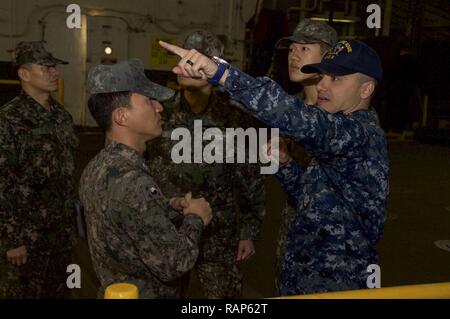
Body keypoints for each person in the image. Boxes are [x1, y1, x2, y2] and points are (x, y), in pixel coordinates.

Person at [158, 38, 389, 296]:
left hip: (335, 284)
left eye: (336, 79)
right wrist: (286, 166)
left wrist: (220, 73)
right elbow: (313, 199)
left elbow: (293, 115)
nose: (322, 84)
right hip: (305, 277)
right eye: (322, 75)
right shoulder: (342, 133)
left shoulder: (358, 133)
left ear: (366, 89)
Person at [79, 58, 212, 299]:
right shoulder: (134, 181)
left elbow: (127, 225)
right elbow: (174, 264)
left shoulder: (97, 167)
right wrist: (196, 217)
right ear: (122, 116)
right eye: (148, 100)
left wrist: (167, 205)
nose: (159, 107)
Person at [147, 30, 266, 299]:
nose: (186, 66)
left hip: (219, 238)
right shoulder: (158, 111)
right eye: (184, 58)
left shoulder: (234, 116)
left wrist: (249, 230)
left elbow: (251, 176)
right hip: (169, 233)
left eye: (195, 60)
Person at [0, 41, 78, 298]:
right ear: (24, 74)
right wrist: (12, 240)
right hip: (26, 242)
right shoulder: (9, 120)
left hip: (61, 238)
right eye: (46, 67)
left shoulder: (62, 117)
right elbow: (3, 181)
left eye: (54, 67)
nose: (54, 72)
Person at [272, 19, 338, 293]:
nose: (294, 56)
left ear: (329, 58)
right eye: (291, 49)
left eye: (304, 49)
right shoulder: (291, 109)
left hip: (333, 240)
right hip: (292, 229)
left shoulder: (345, 113)